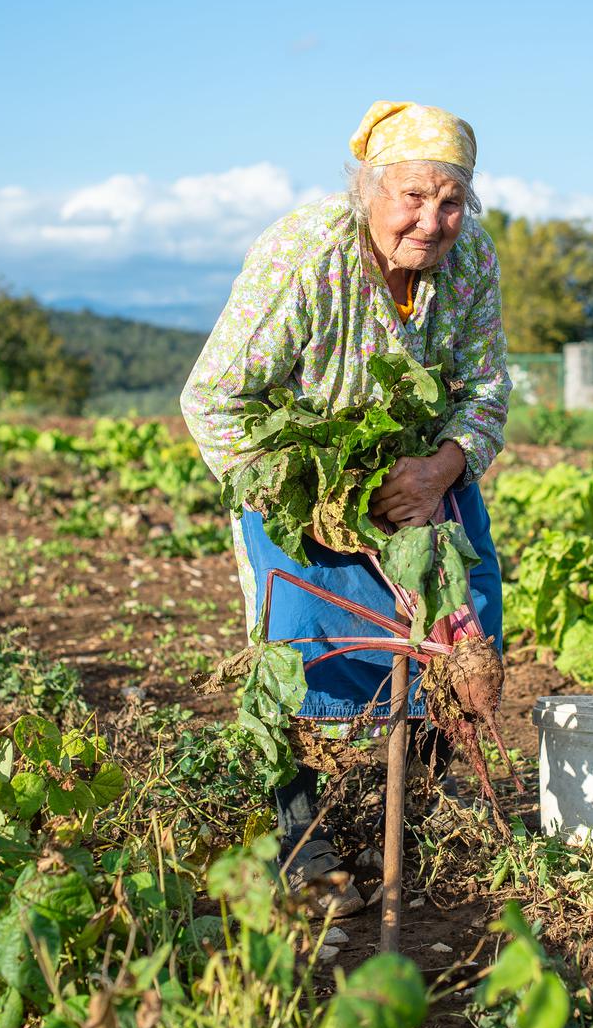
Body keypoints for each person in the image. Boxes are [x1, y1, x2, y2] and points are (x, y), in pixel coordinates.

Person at [181, 100, 512, 911]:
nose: (433, 221)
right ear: (368, 188)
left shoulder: (471, 259)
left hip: (422, 480)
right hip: (304, 483)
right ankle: (302, 840)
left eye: (452, 201)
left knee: (457, 628)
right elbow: (213, 399)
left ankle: (423, 810)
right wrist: (308, 497)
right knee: (301, 641)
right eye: (414, 197)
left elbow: (485, 390)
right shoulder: (306, 254)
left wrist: (440, 468)